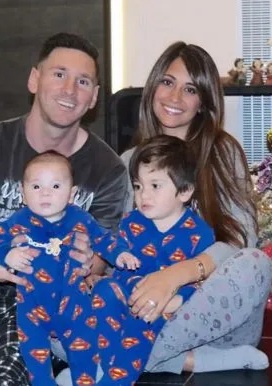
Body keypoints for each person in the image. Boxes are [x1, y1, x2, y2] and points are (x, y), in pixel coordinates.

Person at [0, 32, 128, 385]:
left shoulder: (108, 171)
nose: (69, 89)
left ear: (94, 97)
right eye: (58, 74)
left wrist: (89, 260)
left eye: (82, 81)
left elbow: (101, 256)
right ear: (34, 78)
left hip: (40, 309)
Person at [120, 41, 272, 374]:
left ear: (203, 102)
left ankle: (115, 357)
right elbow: (116, 245)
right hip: (147, 314)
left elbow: (242, 238)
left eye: (190, 89)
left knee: (256, 264)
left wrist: (176, 275)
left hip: (218, 320)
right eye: (167, 82)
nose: (174, 97)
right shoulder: (128, 163)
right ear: (153, 86)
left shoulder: (222, 152)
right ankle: (177, 361)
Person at [0, 151, 129, 386]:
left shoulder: (80, 218)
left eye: (55, 185)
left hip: (75, 306)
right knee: (36, 363)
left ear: (72, 193)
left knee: (84, 355)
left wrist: (120, 253)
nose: (45, 193)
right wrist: (7, 255)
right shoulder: (19, 220)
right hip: (32, 308)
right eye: (36, 186)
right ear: (22, 193)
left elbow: (103, 239)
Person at [91, 135, 215, 385]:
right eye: (138, 186)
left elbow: (202, 282)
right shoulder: (130, 222)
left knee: (142, 317)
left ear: (185, 191)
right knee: (103, 289)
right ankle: (105, 368)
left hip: (164, 309)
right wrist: (116, 257)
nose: (143, 195)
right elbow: (118, 266)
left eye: (155, 186)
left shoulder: (199, 233)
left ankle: (115, 380)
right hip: (127, 296)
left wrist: (176, 300)